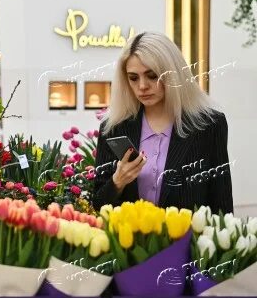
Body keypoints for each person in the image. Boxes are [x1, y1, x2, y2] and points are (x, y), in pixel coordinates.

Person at [93, 32, 233, 214]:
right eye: (133, 78)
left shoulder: (209, 125)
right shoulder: (114, 128)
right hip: (127, 240)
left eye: (152, 75)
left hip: (189, 241)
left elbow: (221, 205)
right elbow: (98, 204)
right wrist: (117, 182)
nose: (142, 86)